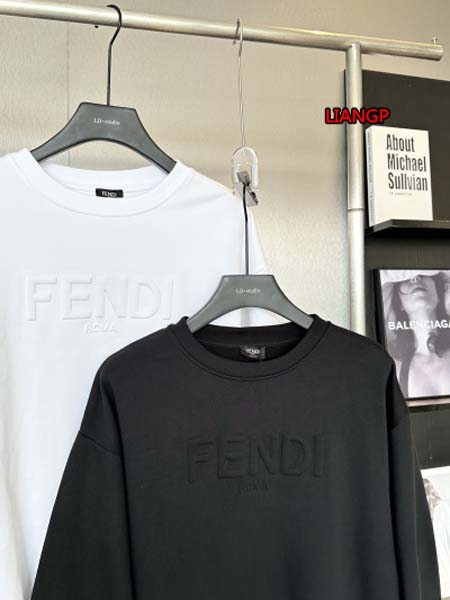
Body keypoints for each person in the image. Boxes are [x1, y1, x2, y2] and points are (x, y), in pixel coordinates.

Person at [381, 270, 450, 398]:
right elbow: (381, 279)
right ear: (400, 304)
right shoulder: (395, 367)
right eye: (405, 281)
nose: (415, 279)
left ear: (439, 295)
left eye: (424, 275)